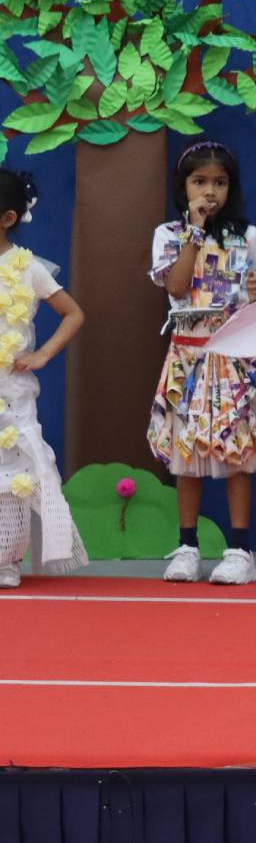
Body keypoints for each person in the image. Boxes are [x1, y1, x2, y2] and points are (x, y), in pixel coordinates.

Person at [149, 139, 256, 585]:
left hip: (234, 354)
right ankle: (187, 546)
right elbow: (176, 286)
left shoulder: (246, 235)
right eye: (199, 182)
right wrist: (193, 232)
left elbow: (253, 298)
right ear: (183, 187)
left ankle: (240, 551)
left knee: (236, 452)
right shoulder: (169, 235)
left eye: (220, 183)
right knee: (187, 454)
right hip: (188, 357)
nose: (210, 192)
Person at [0, 169, 86, 585]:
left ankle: (7, 558)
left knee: (15, 470)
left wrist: (43, 354)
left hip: (11, 390)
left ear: (8, 218)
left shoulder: (27, 268)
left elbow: (73, 314)